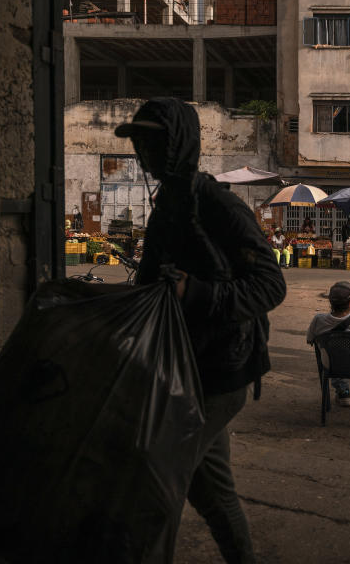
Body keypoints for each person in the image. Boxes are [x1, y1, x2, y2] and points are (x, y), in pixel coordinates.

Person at [115, 97, 287, 564]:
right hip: (183, 367)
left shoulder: (215, 203)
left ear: (178, 144)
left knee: (156, 481)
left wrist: (196, 293)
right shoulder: (169, 203)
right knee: (212, 490)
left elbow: (270, 285)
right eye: (140, 143)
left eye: (154, 142)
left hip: (219, 371)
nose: (145, 153)